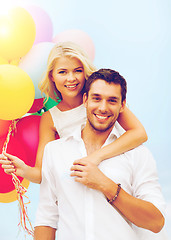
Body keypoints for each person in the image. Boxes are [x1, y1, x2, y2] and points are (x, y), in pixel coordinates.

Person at [34, 69, 166, 240]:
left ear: (122, 105)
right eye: (96, 98)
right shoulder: (55, 151)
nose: (103, 108)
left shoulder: (138, 155)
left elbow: (155, 222)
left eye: (112, 101)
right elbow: (46, 217)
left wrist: (106, 185)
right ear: (85, 100)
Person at [0, 42, 147, 184]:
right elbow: (41, 174)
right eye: (62, 72)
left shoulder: (100, 95)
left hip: (123, 176)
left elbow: (139, 133)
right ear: (52, 76)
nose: (71, 78)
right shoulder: (50, 118)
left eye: (78, 70)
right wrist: (23, 170)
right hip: (88, 186)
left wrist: (97, 157)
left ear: (85, 72)